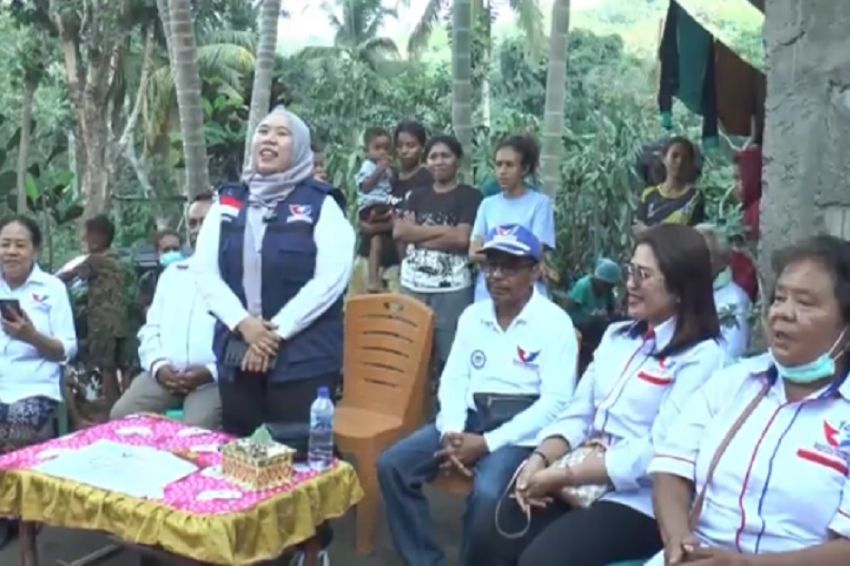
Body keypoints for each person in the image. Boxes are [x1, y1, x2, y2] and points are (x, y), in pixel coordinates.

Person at [502, 224, 724, 566]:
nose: (630, 284)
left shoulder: (701, 357)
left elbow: (660, 449)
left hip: (638, 498)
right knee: (497, 528)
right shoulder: (618, 337)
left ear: (680, 287)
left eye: (644, 275)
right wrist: (539, 461)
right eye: (630, 271)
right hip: (575, 475)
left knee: (543, 560)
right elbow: (578, 413)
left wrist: (563, 475)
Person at [378, 224, 578, 566]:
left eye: (510, 267)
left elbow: (556, 403)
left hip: (522, 427)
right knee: (393, 466)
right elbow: (454, 377)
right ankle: (426, 560)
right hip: (470, 415)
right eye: (491, 266)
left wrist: (487, 443)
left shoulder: (554, 323)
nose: (497, 276)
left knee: (487, 496)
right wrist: (453, 430)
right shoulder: (472, 316)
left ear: (534, 272)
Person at [649, 235, 850, 566]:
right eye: (779, 298)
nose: (783, 313)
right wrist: (678, 542)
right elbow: (670, 467)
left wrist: (744, 565)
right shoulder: (733, 382)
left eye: (805, 302)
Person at [192, 106, 354, 437]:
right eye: (263, 131)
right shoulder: (227, 202)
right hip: (238, 350)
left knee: (296, 455)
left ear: (300, 149)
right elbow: (205, 273)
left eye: (282, 134)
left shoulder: (322, 204)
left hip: (303, 357)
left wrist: (271, 334)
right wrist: (246, 326)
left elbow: (330, 280)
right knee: (241, 451)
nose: (269, 139)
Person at [110, 193, 220, 429]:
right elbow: (151, 330)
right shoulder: (173, 274)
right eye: (193, 223)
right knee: (121, 415)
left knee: (195, 429)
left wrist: (210, 372)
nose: (198, 229)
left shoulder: (238, 274)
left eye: (207, 221)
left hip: (212, 380)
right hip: (165, 376)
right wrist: (159, 367)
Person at [394, 135, 482, 370]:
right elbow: (400, 233)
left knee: (451, 359)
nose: (439, 161)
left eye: (445, 156)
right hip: (412, 286)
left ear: (457, 161)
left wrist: (418, 236)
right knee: (410, 360)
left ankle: (446, 406)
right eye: (433, 157)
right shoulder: (416, 196)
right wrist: (444, 232)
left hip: (452, 290)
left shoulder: (470, 196)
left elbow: (463, 239)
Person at [0, 215, 77, 453]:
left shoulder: (52, 288)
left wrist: (32, 336)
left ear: (35, 250)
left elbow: (68, 349)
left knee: (15, 435)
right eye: (5, 244)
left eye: (20, 245)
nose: (11, 252)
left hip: (35, 386)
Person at [470, 135, 556, 302]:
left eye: (509, 165)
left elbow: (535, 251)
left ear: (524, 169)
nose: (502, 171)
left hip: (527, 293)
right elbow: (473, 251)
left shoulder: (539, 204)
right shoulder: (487, 205)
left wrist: (491, 255)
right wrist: (514, 258)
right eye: (498, 164)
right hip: (488, 293)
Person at [60, 214, 127, 409]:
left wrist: (47, 281)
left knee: (106, 367)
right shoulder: (117, 258)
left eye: (87, 236)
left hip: (102, 322)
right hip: (120, 321)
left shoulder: (95, 260)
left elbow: (70, 276)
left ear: (97, 239)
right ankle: (121, 407)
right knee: (121, 366)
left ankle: (111, 408)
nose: (85, 241)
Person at [696, 223, 751, 361]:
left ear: (722, 262)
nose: (693, 260)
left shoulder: (734, 301)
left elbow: (731, 355)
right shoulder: (675, 292)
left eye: (704, 254)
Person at [355, 127, 395, 292]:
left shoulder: (386, 168)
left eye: (386, 148)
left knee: (376, 244)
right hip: (370, 205)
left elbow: (392, 186)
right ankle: (372, 280)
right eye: (377, 148)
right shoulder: (367, 166)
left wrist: (389, 172)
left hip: (383, 203)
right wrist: (379, 170)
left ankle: (373, 280)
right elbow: (366, 187)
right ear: (367, 151)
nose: (382, 152)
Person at [635, 136, 706, 229]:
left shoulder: (694, 197)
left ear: (690, 163)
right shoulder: (648, 194)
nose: (679, 162)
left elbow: (694, 233)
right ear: (664, 158)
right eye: (674, 156)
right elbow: (638, 228)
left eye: (685, 158)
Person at [562, 257, 621, 328]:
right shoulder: (583, 286)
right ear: (597, 279)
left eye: (610, 286)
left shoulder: (607, 291)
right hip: (581, 326)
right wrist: (590, 318)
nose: (607, 288)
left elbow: (612, 309)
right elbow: (568, 311)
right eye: (605, 284)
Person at [138, 228, 184, 315]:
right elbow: (146, 310)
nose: (171, 253)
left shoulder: (193, 277)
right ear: (157, 254)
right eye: (166, 250)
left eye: (175, 249)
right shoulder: (149, 280)